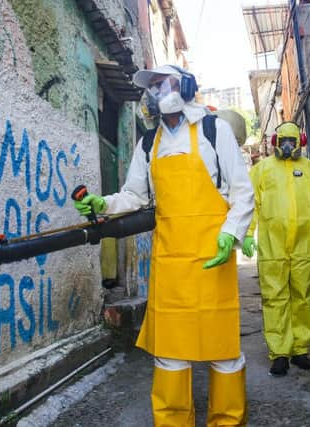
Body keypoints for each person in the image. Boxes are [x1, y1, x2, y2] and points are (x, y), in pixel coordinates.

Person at [74, 64, 254, 426]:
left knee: (223, 351)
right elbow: (135, 196)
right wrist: (103, 205)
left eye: (162, 83)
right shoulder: (148, 143)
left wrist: (230, 233)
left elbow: (242, 192)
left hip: (211, 259)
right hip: (170, 261)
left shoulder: (213, 130)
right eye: (152, 86)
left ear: (185, 85)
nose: (156, 91)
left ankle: (228, 421)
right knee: (171, 355)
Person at [241, 122, 310, 377]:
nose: (287, 145)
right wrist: (248, 234)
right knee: (275, 299)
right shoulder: (262, 171)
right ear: (275, 141)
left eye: (292, 141)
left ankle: (300, 350)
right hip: (273, 247)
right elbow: (250, 204)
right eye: (283, 140)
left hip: (305, 247)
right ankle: (279, 353)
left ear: (300, 142)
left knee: (302, 299)